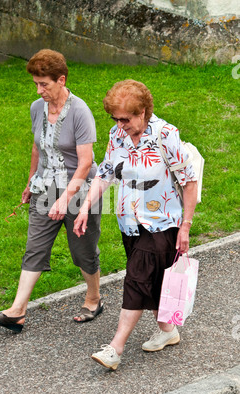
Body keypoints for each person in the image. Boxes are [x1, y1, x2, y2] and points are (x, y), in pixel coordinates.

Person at [73, 80, 198, 370]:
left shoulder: (166, 135)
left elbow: (189, 182)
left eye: (125, 119)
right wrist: (83, 209)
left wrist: (186, 226)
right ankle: (168, 330)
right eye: (115, 118)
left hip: (162, 223)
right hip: (129, 223)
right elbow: (105, 174)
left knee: (137, 278)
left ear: (142, 112)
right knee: (151, 280)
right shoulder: (117, 135)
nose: (119, 124)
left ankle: (115, 349)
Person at [0, 49, 103, 333]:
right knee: (35, 248)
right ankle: (17, 311)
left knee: (83, 250)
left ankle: (94, 298)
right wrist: (30, 182)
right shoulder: (36, 108)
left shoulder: (79, 111)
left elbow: (85, 162)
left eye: (44, 84)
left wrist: (65, 199)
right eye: (36, 84)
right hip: (44, 187)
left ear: (61, 80)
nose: (39, 91)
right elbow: (37, 147)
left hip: (78, 189)